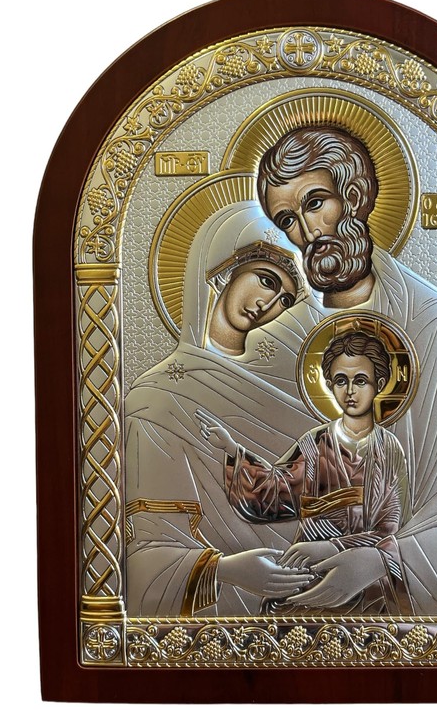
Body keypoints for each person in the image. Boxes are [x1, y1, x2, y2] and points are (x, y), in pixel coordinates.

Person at [241, 126, 437, 614]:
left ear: (353, 197)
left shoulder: (435, 323)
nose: (308, 232)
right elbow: (274, 491)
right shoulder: (278, 337)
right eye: (287, 220)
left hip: (398, 604)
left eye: (316, 203)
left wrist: (379, 560)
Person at [125, 200, 317, 617]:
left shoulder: (289, 388)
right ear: (225, 269)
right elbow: (143, 556)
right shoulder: (155, 398)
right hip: (211, 619)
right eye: (265, 279)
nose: (268, 303)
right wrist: (224, 570)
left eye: (285, 299)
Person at [196, 330, 409, 614]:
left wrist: (332, 547)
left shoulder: (388, 450)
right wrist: (232, 450)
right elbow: (274, 491)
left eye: (360, 380)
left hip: (364, 582)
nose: (350, 391)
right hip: (307, 573)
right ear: (330, 385)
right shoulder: (314, 444)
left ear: (379, 384)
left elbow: (391, 531)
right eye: (341, 381)